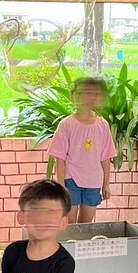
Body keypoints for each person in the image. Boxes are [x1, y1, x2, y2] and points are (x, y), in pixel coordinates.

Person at [49, 77, 116, 224]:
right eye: (80, 93)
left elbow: (106, 158)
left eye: (91, 93)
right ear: (73, 96)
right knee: (70, 223)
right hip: (71, 180)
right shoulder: (66, 124)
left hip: (94, 181)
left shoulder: (102, 125)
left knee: (86, 225)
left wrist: (106, 184)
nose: (85, 97)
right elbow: (60, 159)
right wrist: (61, 186)